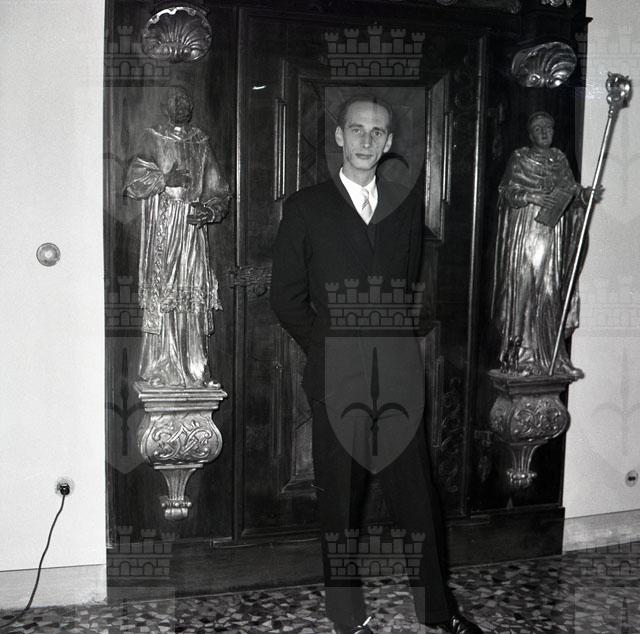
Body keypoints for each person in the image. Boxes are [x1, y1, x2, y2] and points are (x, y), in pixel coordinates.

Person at [270, 95, 482, 634]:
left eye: (377, 132)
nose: (366, 140)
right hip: (336, 379)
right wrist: (330, 345)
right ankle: (347, 618)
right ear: (339, 136)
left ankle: (439, 612)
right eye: (357, 129)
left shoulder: (404, 204)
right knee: (340, 506)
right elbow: (286, 299)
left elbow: (408, 284)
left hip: (398, 378)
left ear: (388, 143)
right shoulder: (305, 207)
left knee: (418, 500)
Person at [125, 86, 230, 388]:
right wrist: (164, 179)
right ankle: (161, 366)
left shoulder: (200, 141)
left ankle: (193, 368)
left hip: (191, 229)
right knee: (164, 290)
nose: (182, 105)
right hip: (163, 225)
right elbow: (133, 182)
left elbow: (219, 190)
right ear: (165, 107)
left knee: (191, 291)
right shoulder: (153, 137)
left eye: (186, 100)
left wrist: (208, 211)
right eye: (175, 101)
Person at [492, 111, 598, 377]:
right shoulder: (520, 158)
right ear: (530, 134)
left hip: (552, 236)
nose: (544, 132)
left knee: (550, 290)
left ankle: (551, 355)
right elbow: (506, 192)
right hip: (526, 234)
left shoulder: (560, 159)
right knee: (526, 290)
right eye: (538, 128)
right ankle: (521, 356)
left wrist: (584, 195)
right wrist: (532, 196)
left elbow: (571, 191)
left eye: (548, 128)